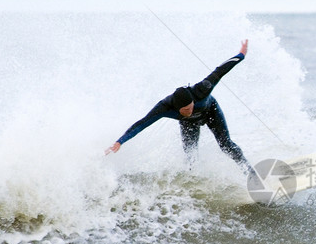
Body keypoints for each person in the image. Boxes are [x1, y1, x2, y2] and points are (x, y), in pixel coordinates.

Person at [105, 40, 253, 173]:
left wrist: (241, 55)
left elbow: (220, 70)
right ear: (177, 108)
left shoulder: (202, 89)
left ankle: (249, 172)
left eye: (191, 106)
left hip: (210, 111)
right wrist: (120, 141)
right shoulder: (165, 107)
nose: (191, 110)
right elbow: (141, 124)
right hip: (189, 123)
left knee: (225, 145)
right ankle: (194, 180)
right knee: (191, 155)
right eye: (186, 110)